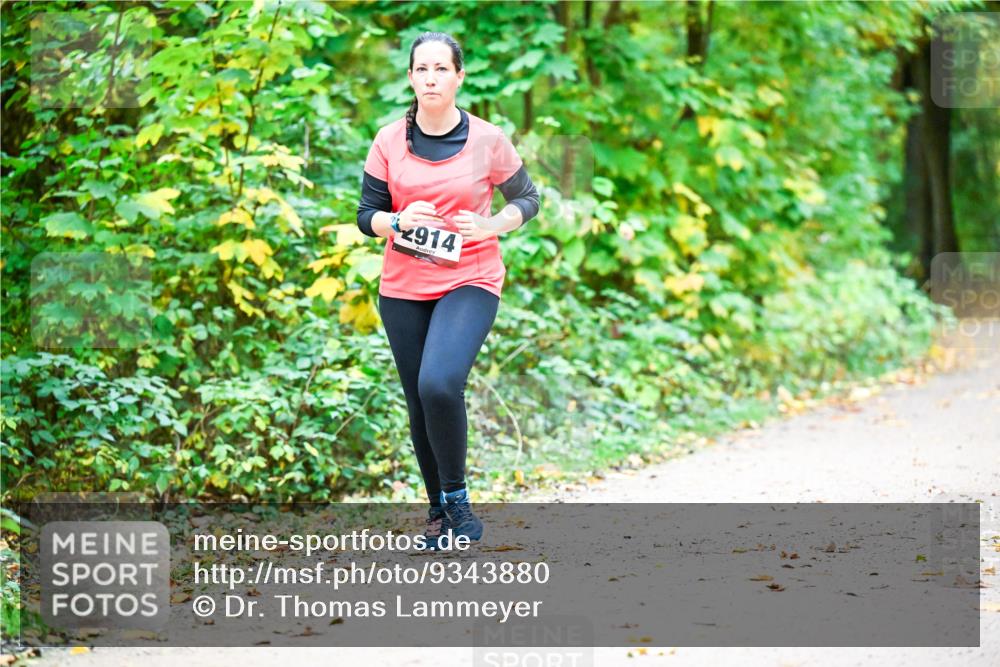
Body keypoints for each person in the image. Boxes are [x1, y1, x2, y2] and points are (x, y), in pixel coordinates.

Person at [356, 32, 540, 546]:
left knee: (438, 383)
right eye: (422, 69)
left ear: (459, 76)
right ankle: (438, 515)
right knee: (419, 401)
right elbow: (366, 216)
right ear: (410, 77)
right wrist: (397, 220)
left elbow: (527, 199)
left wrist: (491, 225)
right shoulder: (388, 141)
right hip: (403, 286)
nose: (431, 78)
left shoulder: (487, 139)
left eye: (441, 69)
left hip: (470, 277)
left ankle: (458, 502)